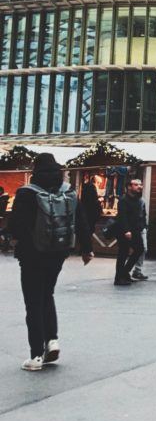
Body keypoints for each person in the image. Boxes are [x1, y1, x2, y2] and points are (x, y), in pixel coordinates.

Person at [5, 154, 94, 371]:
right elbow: (81, 220)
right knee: (48, 293)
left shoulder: (27, 192)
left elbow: (17, 224)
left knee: (33, 301)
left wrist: (10, 237)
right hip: (58, 251)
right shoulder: (69, 192)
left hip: (31, 254)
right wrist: (87, 248)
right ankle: (52, 340)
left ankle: (36, 355)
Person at [113, 178, 147, 285]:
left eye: (140, 185)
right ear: (129, 187)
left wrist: (143, 225)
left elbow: (141, 214)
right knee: (123, 253)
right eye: (136, 185)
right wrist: (126, 230)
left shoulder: (138, 199)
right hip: (125, 230)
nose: (139, 187)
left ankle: (124, 273)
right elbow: (122, 217)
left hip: (136, 229)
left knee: (140, 249)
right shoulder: (123, 200)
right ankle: (118, 278)